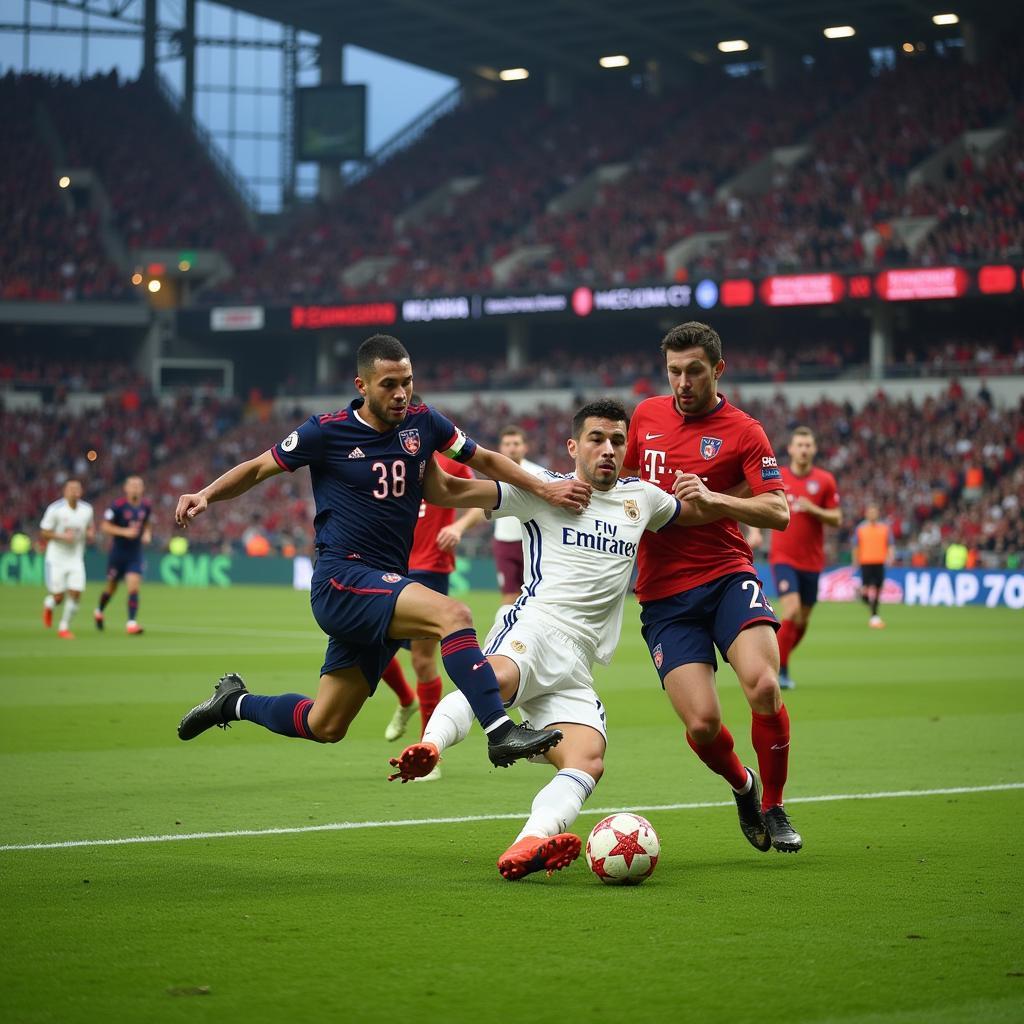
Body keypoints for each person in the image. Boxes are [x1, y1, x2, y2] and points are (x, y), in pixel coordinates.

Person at [174, 334, 591, 773]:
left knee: (326, 723)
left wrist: (541, 489)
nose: (401, 394)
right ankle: (500, 731)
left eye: (407, 382)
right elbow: (259, 467)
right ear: (362, 385)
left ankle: (233, 703)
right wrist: (206, 495)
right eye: (389, 384)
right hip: (343, 580)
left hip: (385, 583)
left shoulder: (423, 423)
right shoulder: (326, 430)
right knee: (454, 615)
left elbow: (469, 469)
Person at [389, 398, 705, 880]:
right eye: (597, 439)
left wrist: (729, 496)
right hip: (536, 627)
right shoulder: (541, 489)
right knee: (498, 678)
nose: (608, 449)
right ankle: (431, 744)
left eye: (618, 441)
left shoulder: (643, 498)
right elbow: (448, 489)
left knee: (588, 758)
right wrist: (422, 437)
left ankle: (528, 842)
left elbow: (694, 514)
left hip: (580, 661)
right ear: (573, 446)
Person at [623, 320, 801, 854]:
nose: (682, 382)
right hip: (664, 596)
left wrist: (717, 499)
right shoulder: (646, 416)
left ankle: (773, 804)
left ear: (717, 370)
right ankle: (743, 787)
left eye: (694, 371)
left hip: (726, 575)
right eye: (674, 371)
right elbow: (623, 486)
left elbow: (779, 510)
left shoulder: (745, 430)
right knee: (702, 725)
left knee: (763, 686)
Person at [380, 444, 478, 781]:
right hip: (387, 564)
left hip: (429, 568)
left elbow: (480, 498)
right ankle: (406, 699)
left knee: (422, 660)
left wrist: (459, 527)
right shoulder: (384, 458)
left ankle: (428, 755)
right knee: (362, 642)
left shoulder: (449, 464)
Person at [445, 426, 544, 627]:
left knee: (536, 598)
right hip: (504, 544)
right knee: (509, 596)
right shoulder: (497, 475)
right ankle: (503, 639)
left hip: (533, 544)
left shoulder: (538, 474)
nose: (512, 448)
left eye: (516, 444)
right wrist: (460, 527)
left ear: (525, 447)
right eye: (507, 444)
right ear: (501, 448)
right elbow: (483, 509)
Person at [768, 426, 842, 689]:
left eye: (808, 445)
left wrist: (814, 510)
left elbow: (837, 518)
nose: (803, 449)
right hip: (783, 557)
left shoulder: (824, 480)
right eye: (799, 445)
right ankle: (779, 671)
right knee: (792, 611)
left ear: (814, 449)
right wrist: (754, 531)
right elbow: (757, 499)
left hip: (811, 561)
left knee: (801, 621)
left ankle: (778, 658)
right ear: (790, 449)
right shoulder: (777, 477)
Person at [94, 475, 152, 635]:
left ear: (142, 488)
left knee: (133, 587)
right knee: (111, 588)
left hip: (135, 553)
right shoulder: (117, 506)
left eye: (138, 485)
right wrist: (124, 532)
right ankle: (99, 610)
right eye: (132, 485)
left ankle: (131, 623)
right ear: (125, 488)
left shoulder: (146, 506)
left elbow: (146, 523)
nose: (135, 488)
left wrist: (147, 533)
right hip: (118, 554)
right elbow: (105, 526)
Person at [40, 479, 94, 640]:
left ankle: (64, 627)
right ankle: (49, 604)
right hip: (56, 558)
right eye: (71, 488)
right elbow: (44, 532)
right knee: (58, 597)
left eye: (77, 488)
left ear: (81, 491)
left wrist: (91, 533)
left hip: (76, 557)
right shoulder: (55, 509)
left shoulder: (87, 510)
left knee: (76, 593)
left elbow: (90, 526)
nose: (74, 491)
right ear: (65, 491)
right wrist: (62, 536)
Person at [853, 503, 893, 629]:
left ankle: (874, 615)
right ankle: (865, 599)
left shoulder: (884, 528)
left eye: (874, 512)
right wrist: (855, 560)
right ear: (866, 514)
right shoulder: (861, 529)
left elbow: (890, 544)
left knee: (878, 588)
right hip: (865, 561)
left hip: (879, 561)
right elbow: (856, 546)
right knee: (866, 589)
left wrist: (890, 557)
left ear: (878, 514)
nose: (872, 514)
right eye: (870, 512)